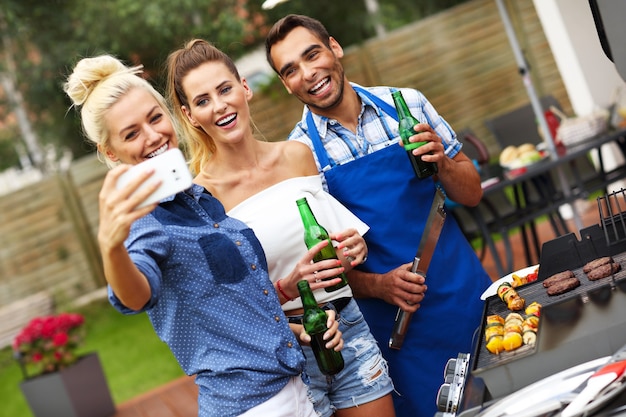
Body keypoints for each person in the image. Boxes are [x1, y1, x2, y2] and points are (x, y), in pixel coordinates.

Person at [63, 54, 344, 417]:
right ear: (110, 152)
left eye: (155, 118)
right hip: (250, 406)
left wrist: (292, 324)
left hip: (293, 389)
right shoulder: (144, 221)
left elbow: (227, 310)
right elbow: (134, 296)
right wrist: (110, 246)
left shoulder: (197, 199)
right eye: (131, 134)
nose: (153, 137)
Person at [265, 14, 493, 417]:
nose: (308, 73)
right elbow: (321, 265)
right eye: (291, 70)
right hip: (394, 329)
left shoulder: (408, 104)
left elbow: (471, 192)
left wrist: (441, 161)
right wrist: (378, 285)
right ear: (286, 84)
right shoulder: (298, 156)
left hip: (463, 291)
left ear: (334, 47)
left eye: (312, 54)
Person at [165, 39, 396, 417]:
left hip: (346, 327)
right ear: (190, 116)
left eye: (224, 89)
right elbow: (228, 308)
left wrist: (355, 250)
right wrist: (288, 287)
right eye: (203, 100)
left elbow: (337, 253)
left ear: (244, 87)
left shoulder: (297, 156)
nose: (220, 105)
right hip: (283, 357)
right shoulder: (203, 201)